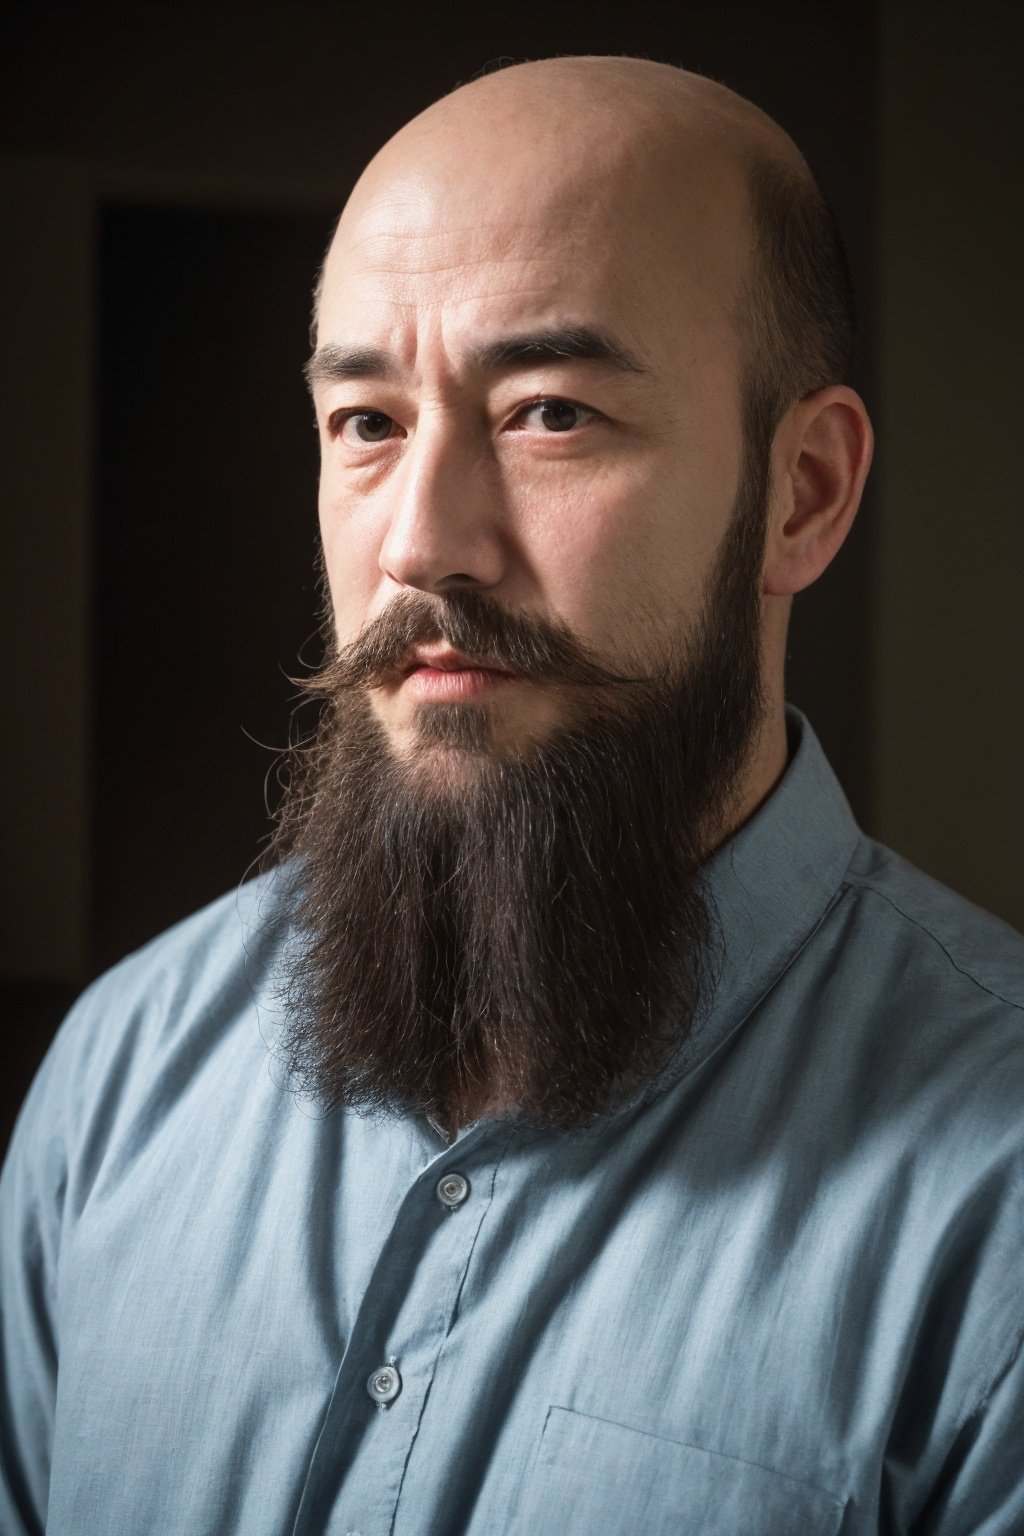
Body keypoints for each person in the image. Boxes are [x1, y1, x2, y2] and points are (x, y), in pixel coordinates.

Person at [2, 54, 1022, 1536]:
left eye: (549, 412)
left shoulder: (995, 1190)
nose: (422, 544)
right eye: (366, 422)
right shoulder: (120, 1084)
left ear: (801, 491)